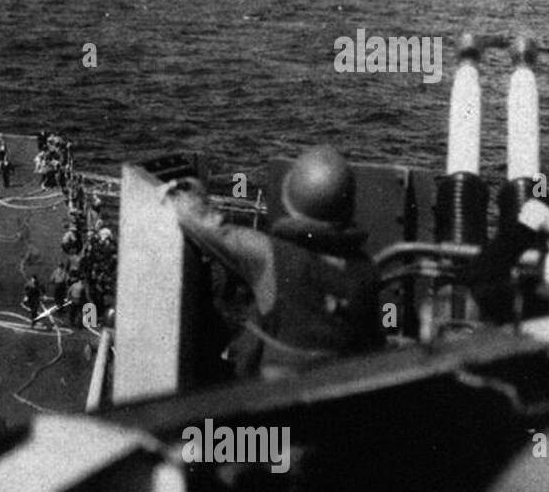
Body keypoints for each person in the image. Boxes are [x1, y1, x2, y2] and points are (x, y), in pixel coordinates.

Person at [158, 145, 383, 380]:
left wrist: (187, 192)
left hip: (274, 402)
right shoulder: (366, 271)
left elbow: (214, 231)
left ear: (290, 200)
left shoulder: (272, 255)